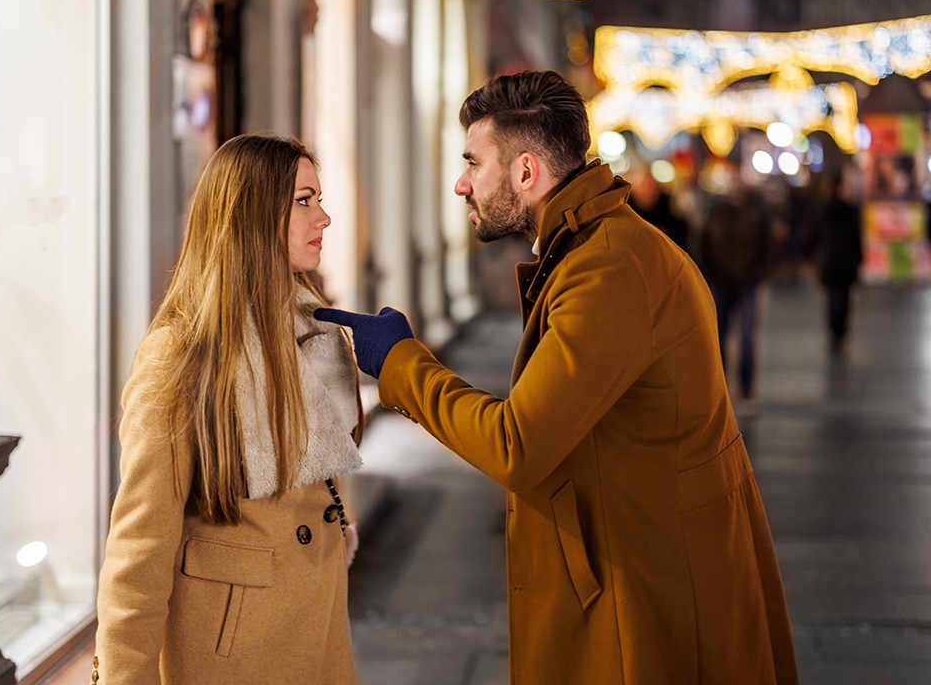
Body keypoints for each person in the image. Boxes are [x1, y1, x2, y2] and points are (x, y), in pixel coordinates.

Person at [316, 71, 798, 684]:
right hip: (638, 567)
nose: (461, 184)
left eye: (473, 163)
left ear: (525, 173)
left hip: (646, 597)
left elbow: (518, 444)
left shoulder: (609, 268)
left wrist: (400, 362)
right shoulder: (593, 249)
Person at [93, 133, 363, 685]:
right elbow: (139, 548)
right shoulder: (183, 352)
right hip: (234, 651)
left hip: (317, 624)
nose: (325, 218)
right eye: (305, 201)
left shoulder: (310, 329)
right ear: (254, 215)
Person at [697, 178, 772, 407]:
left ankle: (746, 389)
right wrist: (711, 274)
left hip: (747, 282)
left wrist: (757, 273)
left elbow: (765, 248)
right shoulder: (715, 215)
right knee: (718, 336)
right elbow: (704, 246)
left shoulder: (756, 215)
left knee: (747, 336)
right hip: (720, 282)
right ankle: (720, 388)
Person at [807, 165, 864, 353]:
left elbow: (813, 235)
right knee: (844, 298)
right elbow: (856, 238)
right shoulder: (849, 210)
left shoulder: (824, 210)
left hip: (831, 261)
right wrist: (858, 258)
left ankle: (835, 330)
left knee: (834, 297)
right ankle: (840, 331)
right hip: (844, 262)